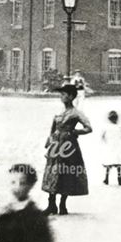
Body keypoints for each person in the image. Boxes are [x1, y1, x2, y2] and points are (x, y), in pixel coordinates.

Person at [42, 83, 92, 215]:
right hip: (56, 145)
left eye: (63, 95)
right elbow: (53, 129)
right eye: (61, 94)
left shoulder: (76, 113)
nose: (61, 97)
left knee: (66, 172)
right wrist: (49, 141)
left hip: (68, 146)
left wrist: (75, 132)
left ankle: (62, 204)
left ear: (71, 97)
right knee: (53, 171)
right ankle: (51, 204)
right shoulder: (60, 113)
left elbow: (89, 128)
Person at [101, 110, 121, 186]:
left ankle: (106, 178)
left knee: (109, 161)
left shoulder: (106, 128)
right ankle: (119, 177)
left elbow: (102, 137)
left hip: (110, 146)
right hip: (118, 145)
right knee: (118, 162)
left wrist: (106, 141)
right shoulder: (120, 127)